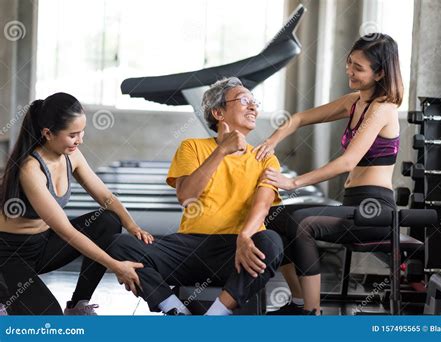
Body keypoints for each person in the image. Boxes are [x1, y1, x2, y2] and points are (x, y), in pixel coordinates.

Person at [255, 33, 403, 315]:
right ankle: (298, 301)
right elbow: (299, 119)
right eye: (349, 63)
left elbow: (347, 163)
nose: (349, 71)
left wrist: (294, 183)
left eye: (358, 68)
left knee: (303, 223)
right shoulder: (354, 102)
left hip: (375, 211)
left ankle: (312, 313)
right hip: (352, 205)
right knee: (273, 216)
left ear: (380, 72)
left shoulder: (383, 109)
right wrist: (272, 141)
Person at [109, 77, 284, 315]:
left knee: (271, 241)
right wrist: (222, 150)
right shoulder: (192, 147)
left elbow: (263, 206)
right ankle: (174, 309)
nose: (253, 107)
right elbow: (186, 195)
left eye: (255, 102)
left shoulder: (266, 158)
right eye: (244, 100)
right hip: (188, 249)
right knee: (120, 244)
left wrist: (245, 236)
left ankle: (215, 315)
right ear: (219, 112)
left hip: (236, 251)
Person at [0, 92, 153, 315]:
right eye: (73, 134)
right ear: (48, 133)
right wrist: (116, 266)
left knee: (107, 221)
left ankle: (78, 305)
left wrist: (132, 226)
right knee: (49, 320)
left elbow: (105, 197)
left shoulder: (72, 155)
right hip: (9, 256)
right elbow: (66, 231)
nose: (80, 140)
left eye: (82, 132)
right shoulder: (31, 169)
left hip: (42, 247)